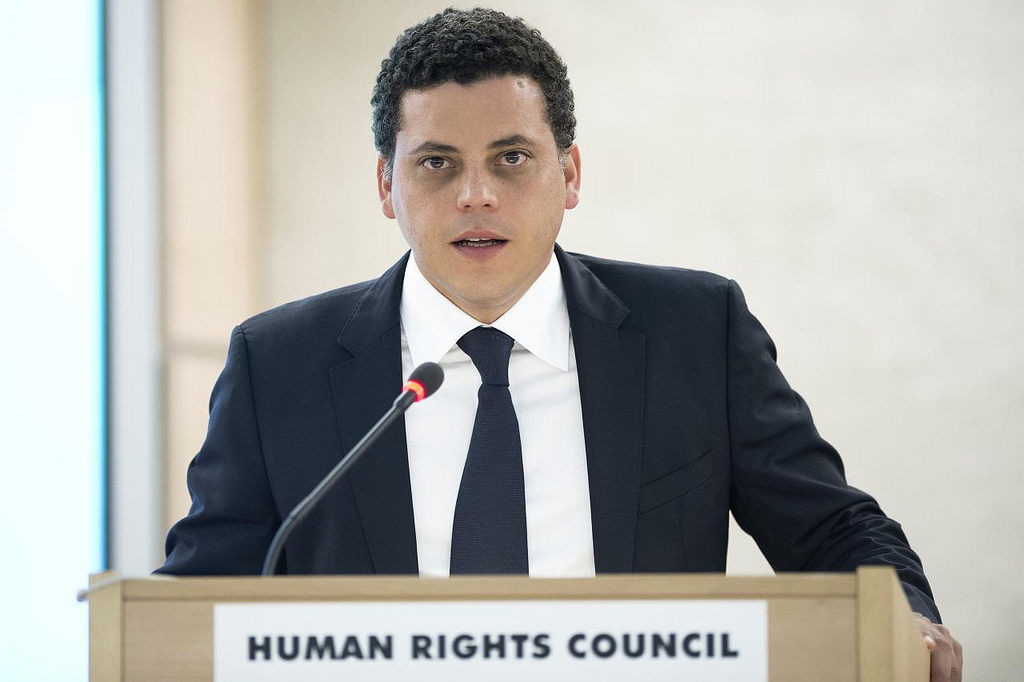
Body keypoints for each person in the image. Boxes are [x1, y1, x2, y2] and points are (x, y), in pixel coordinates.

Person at [157, 7, 962, 680]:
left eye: (511, 159)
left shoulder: (694, 332)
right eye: (437, 163)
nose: (476, 194)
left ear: (570, 174)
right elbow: (195, 603)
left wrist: (906, 619)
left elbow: (830, 529)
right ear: (386, 185)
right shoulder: (280, 365)